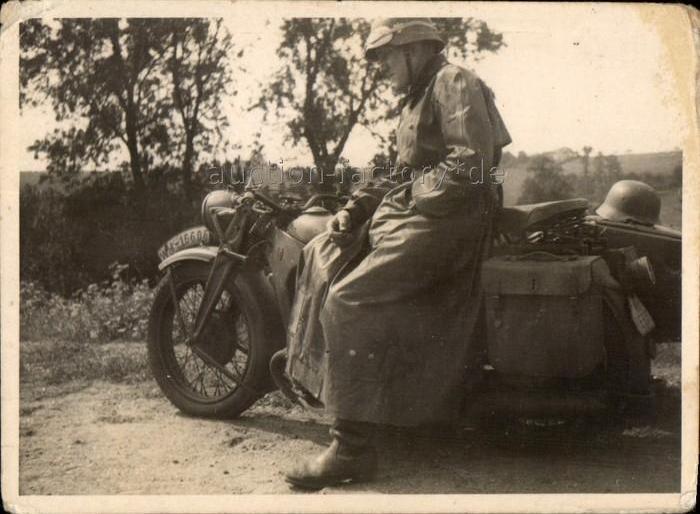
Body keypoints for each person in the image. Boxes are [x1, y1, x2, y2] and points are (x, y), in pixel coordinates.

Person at [283, 18, 511, 489]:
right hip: (427, 217)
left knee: (348, 301)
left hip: (451, 223)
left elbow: (471, 165)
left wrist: (407, 199)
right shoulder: (416, 98)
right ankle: (345, 396)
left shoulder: (453, 81)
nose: (382, 67)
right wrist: (355, 209)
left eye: (387, 56)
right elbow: (399, 171)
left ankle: (351, 449)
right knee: (324, 250)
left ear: (414, 50)